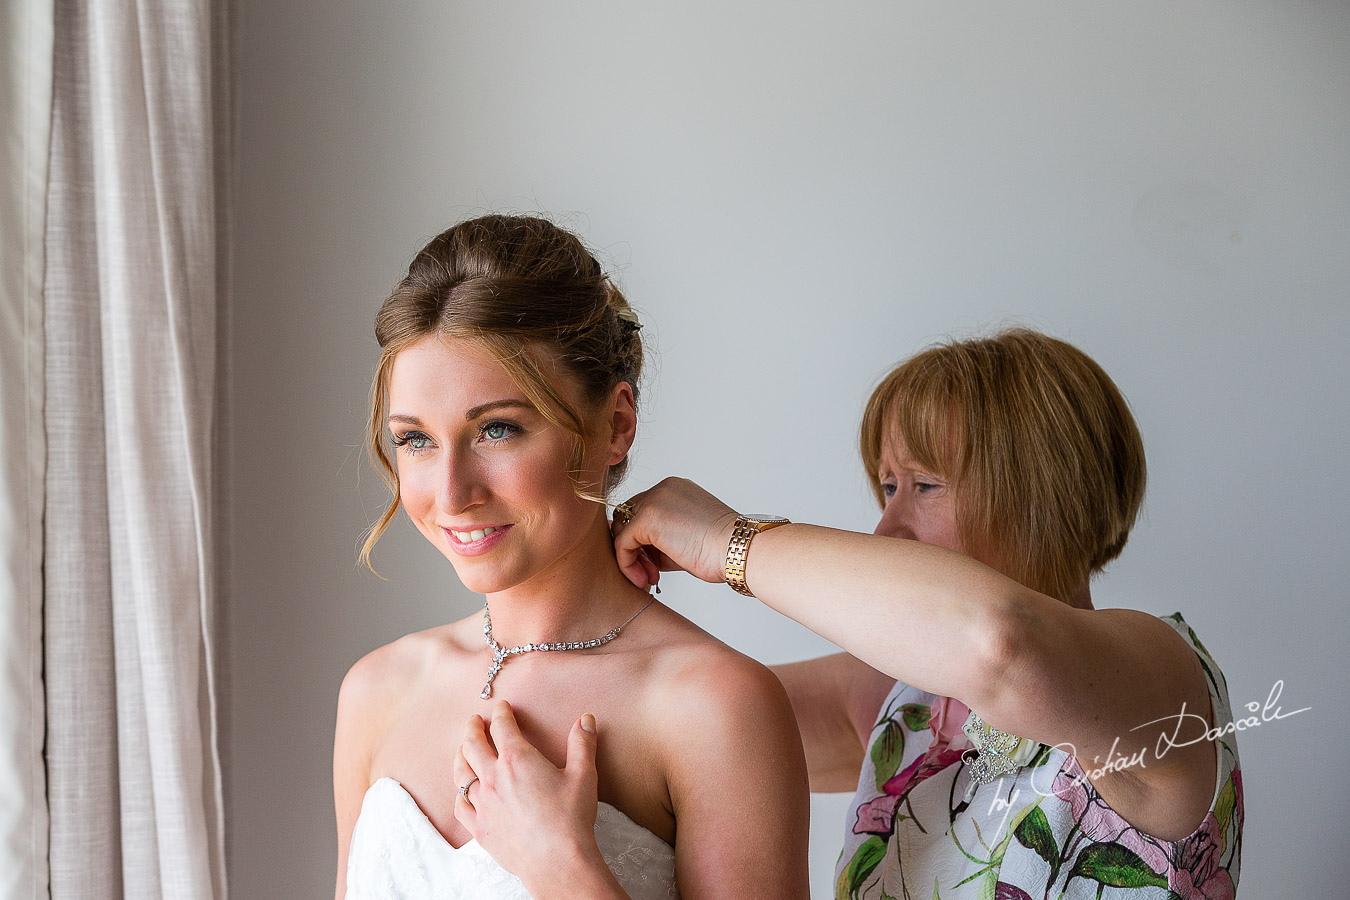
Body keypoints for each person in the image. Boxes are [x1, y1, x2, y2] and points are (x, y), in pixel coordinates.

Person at [463, 328, 1244, 899]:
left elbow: (1000, 643)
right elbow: (664, 723)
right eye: (886, 487)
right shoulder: (902, 708)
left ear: (1045, 492)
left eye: (924, 485)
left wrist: (727, 541)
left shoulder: (1163, 676)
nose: (885, 527)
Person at [333, 214, 811, 900]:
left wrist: (565, 870)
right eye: (415, 440)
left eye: (497, 429)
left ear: (615, 425)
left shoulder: (713, 706)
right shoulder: (377, 691)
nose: (452, 494)